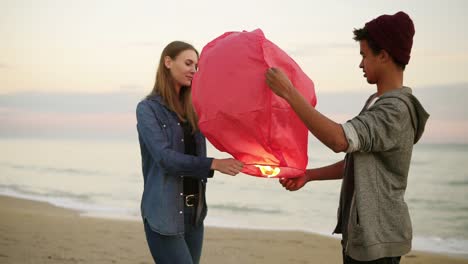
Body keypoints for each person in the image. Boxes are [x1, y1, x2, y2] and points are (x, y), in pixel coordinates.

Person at [265, 11, 429, 263]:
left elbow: (339, 140)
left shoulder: (395, 110)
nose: (360, 64)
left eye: (364, 55)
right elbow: (356, 162)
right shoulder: (378, 103)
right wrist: (309, 175)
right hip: (363, 235)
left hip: (379, 238)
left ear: (383, 55)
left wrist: (289, 93)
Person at [136, 41, 244, 264]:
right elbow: (165, 158)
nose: (194, 70)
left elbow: (226, 124)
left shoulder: (196, 107)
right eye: (188, 63)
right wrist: (213, 163)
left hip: (195, 214)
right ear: (168, 62)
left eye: (197, 66)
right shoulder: (147, 109)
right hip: (163, 213)